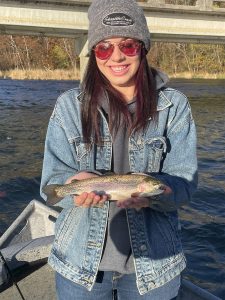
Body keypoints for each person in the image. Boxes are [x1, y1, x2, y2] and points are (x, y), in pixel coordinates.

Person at [40, 0, 198, 299]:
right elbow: (52, 181)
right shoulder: (68, 107)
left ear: (143, 49)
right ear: (93, 53)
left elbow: (184, 182)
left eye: (127, 45)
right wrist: (72, 188)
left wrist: (159, 193)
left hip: (154, 268)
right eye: (104, 47)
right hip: (79, 267)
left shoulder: (174, 106)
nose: (116, 56)